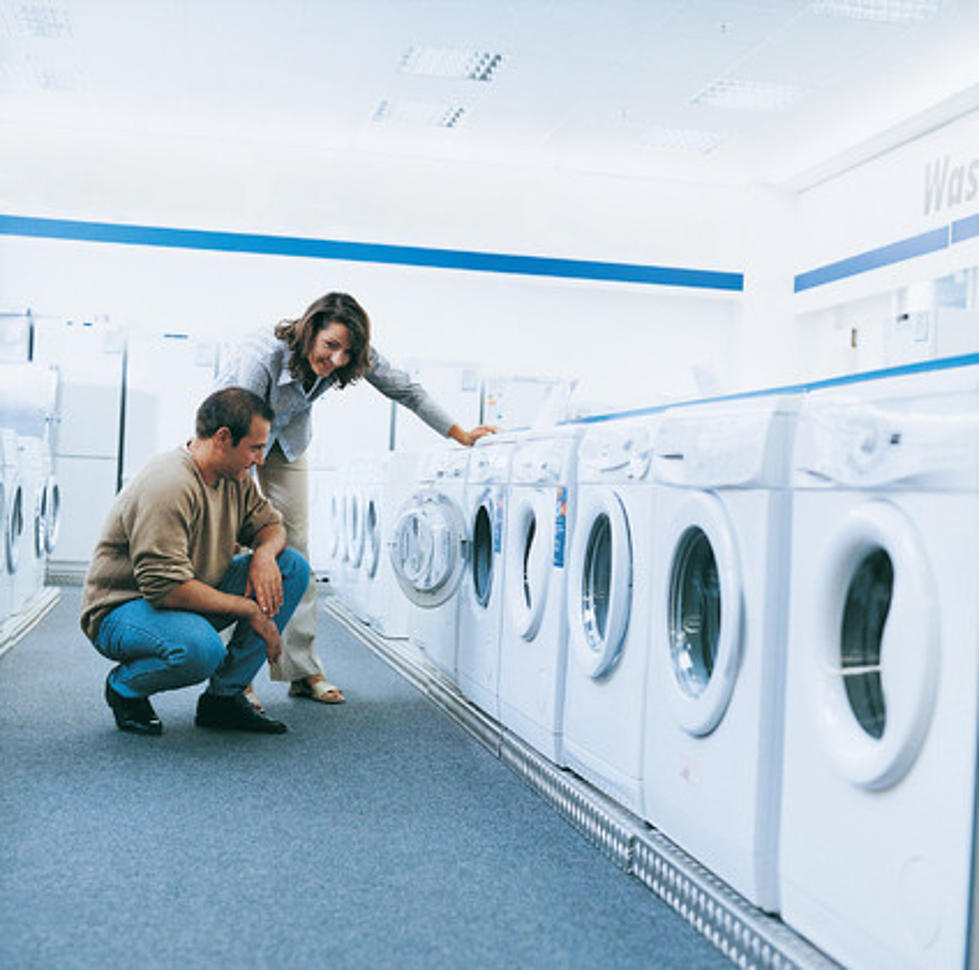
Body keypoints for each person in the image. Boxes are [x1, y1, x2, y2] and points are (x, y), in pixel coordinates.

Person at [215, 291, 495, 709]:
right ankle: (235, 676)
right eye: (331, 346)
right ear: (311, 329)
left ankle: (301, 668)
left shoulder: (349, 354)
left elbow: (409, 391)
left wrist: (460, 434)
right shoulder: (261, 355)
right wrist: (248, 517)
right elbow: (236, 420)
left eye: (348, 352)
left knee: (296, 552)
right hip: (233, 438)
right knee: (236, 549)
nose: (338, 360)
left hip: (286, 441)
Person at [81, 387, 310, 736]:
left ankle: (223, 699)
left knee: (290, 566)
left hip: (191, 590)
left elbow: (271, 525)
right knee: (201, 650)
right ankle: (125, 688)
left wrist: (263, 555)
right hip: (124, 610)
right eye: (255, 447)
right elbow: (165, 589)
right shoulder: (169, 483)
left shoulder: (234, 478)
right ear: (222, 438)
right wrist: (248, 610)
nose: (260, 460)